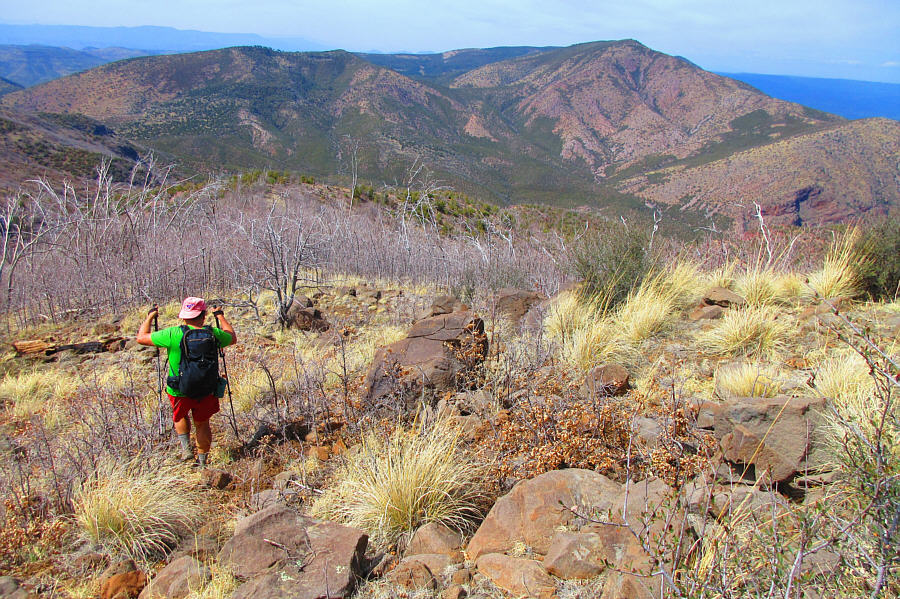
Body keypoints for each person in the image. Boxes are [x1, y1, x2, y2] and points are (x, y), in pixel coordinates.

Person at [136, 297, 237, 466]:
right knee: (202, 424)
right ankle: (203, 463)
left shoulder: (172, 334)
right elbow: (232, 337)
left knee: (180, 416)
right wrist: (220, 316)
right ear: (203, 315)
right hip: (207, 388)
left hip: (178, 388)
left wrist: (150, 317)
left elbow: (141, 338)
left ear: (184, 316)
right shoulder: (214, 334)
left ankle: (186, 449)